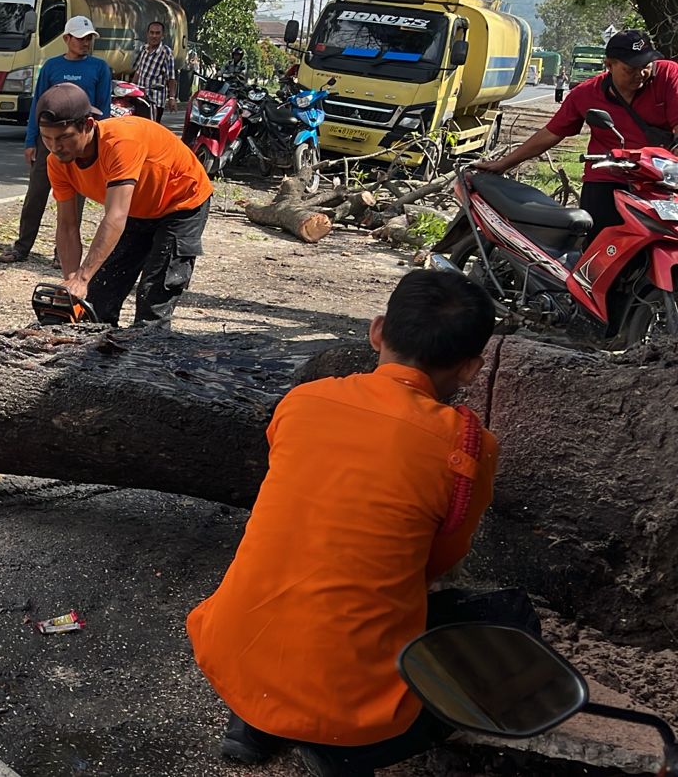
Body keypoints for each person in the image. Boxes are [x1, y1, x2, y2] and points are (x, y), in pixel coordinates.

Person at [187, 269, 540, 777]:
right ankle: (346, 746)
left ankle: (255, 721)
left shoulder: (303, 401)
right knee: (516, 621)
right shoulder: (468, 448)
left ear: (377, 331)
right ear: (470, 369)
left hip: (232, 650)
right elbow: (437, 562)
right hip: (353, 702)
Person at [33, 83, 211, 328]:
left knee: (153, 298)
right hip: (138, 208)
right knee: (99, 298)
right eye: (47, 138)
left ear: (87, 125)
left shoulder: (119, 143)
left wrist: (83, 277)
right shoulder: (57, 162)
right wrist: (72, 281)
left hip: (181, 203)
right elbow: (67, 226)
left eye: (64, 138)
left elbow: (115, 215)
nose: (55, 147)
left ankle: (149, 359)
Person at [476, 29, 676, 243]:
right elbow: (551, 133)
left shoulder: (667, 75)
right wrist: (504, 164)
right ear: (609, 65)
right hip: (608, 177)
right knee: (598, 246)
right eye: (631, 69)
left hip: (660, 178)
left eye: (645, 66)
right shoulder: (585, 93)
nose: (641, 74)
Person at [0, 16, 112, 264]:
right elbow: (38, 107)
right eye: (80, 38)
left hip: (80, 143)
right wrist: (31, 141)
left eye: (89, 38)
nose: (85, 43)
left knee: (75, 199)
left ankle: (63, 253)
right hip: (48, 141)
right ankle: (22, 247)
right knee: (36, 195)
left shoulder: (99, 68)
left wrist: (98, 146)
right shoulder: (51, 67)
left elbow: (104, 109)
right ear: (66, 39)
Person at [131, 20, 177, 121]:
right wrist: (131, 89)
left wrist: (172, 98)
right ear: (147, 34)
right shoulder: (144, 49)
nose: (154, 36)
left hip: (155, 100)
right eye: (152, 33)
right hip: (140, 98)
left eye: (157, 33)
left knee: (151, 130)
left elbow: (171, 78)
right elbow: (139, 71)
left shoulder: (166, 52)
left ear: (162, 35)